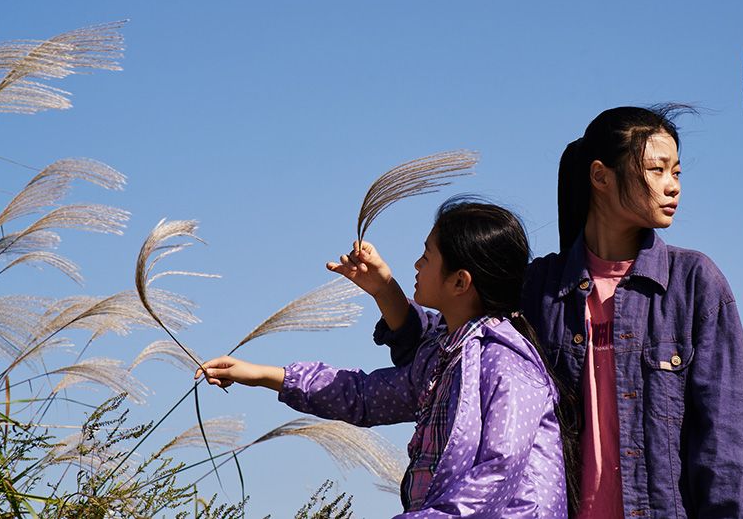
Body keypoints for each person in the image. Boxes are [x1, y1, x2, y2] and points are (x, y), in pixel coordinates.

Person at [354, 106, 743, 518]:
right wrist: (385, 290)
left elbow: (729, 444)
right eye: (657, 170)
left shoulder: (692, 284)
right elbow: (449, 351)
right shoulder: (539, 288)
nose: (672, 186)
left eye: (676, 172)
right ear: (600, 176)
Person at [198, 200, 571, 519]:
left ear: (460, 282)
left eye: (427, 256)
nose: (416, 265)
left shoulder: (508, 365)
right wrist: (264, 375)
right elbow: (364, 396)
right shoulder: (443, 355)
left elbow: (497, 473)